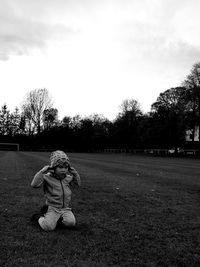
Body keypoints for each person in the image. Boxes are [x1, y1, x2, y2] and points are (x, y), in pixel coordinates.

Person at [31, 150, 81, 231]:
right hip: (53, 208)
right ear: (54, 167)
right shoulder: (47, 177)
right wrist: (42, 171)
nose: (63, 170)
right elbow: (34, 185)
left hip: (65, 208)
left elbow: (77, 184)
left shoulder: (68, 178)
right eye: (60, 167)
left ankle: (58, 219)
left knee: (71, 223)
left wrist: (75, 174)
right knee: (48, 227)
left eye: (66, 167)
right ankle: (39, 217)